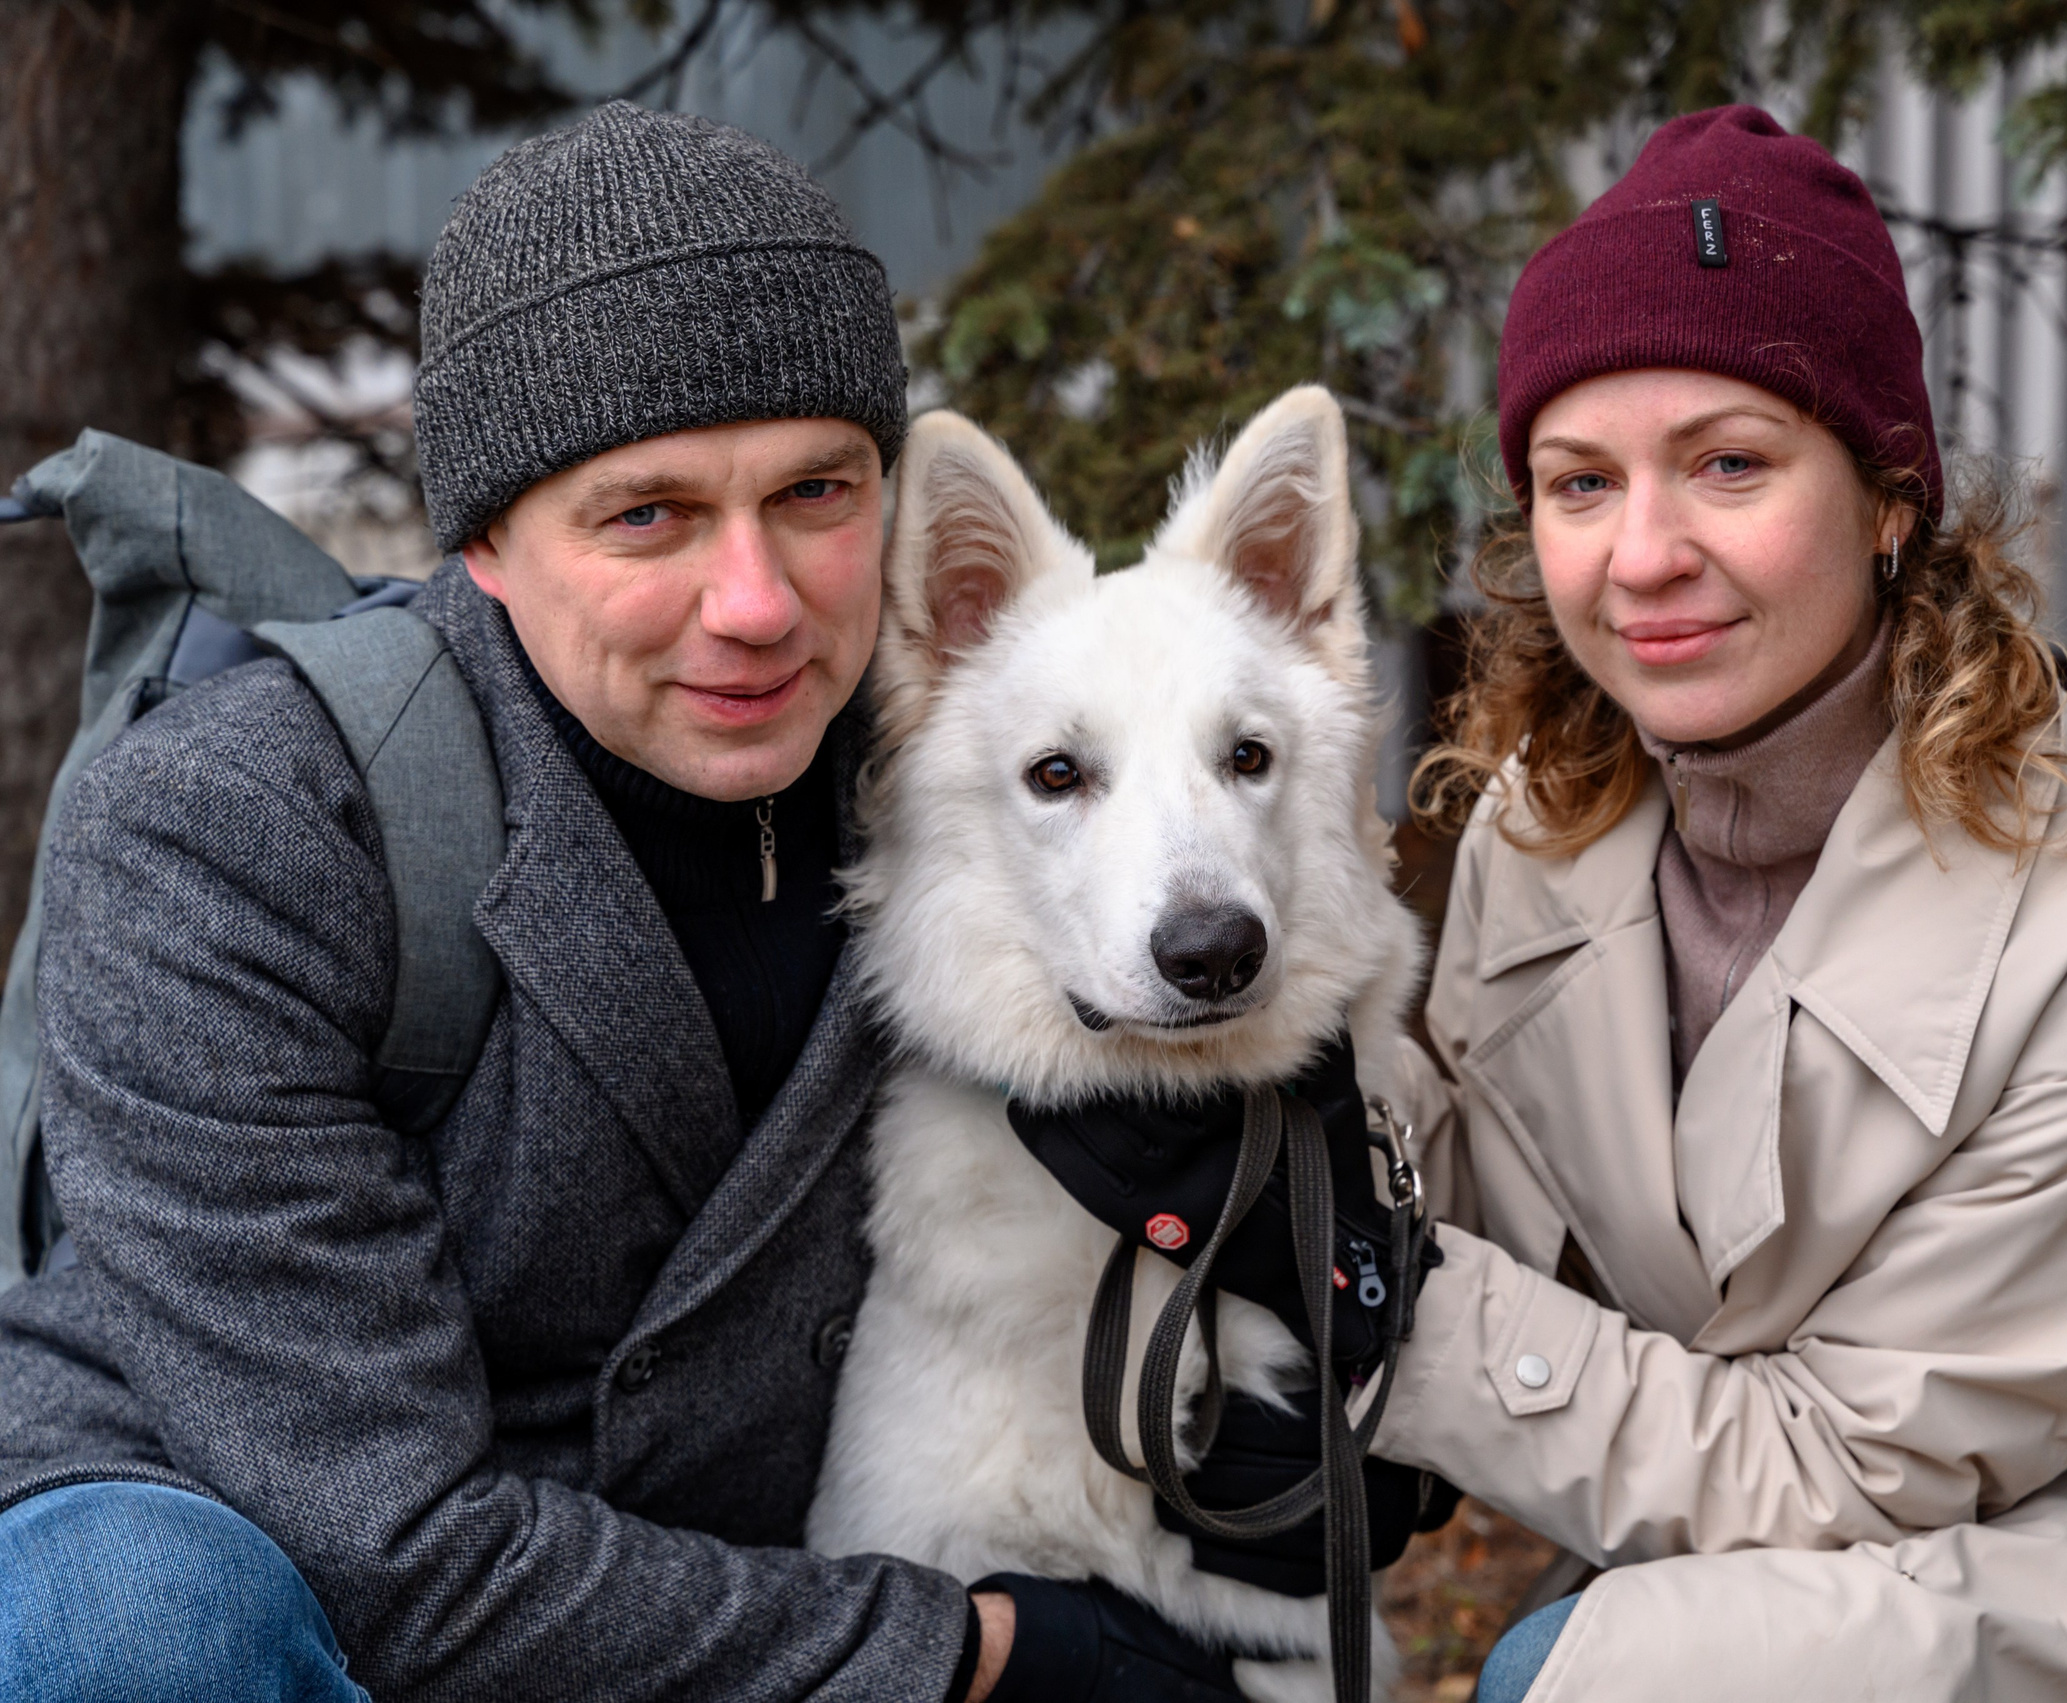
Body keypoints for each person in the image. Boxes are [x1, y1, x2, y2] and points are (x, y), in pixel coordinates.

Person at [1021, 106, 2067, 1701]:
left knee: (1590, 1687)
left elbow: (1847, 1465)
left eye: (1728, 464)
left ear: (1890, 497)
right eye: (1580, 483)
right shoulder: (1552, 824)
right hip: (1796, 1540)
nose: (1643, 556)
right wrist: (1280, 1127)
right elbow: (1494, 1206)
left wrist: (1374, 1302)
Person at [0, 102, 1354, 1702]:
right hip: (267, 1567)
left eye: (816, 494)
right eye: (650, 515)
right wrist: (975, 1653)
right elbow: (392, 1543)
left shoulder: (985, 766)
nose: (758, 606)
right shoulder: (231, 827)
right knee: (133, 1631)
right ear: (490, 540)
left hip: (722, 1570)